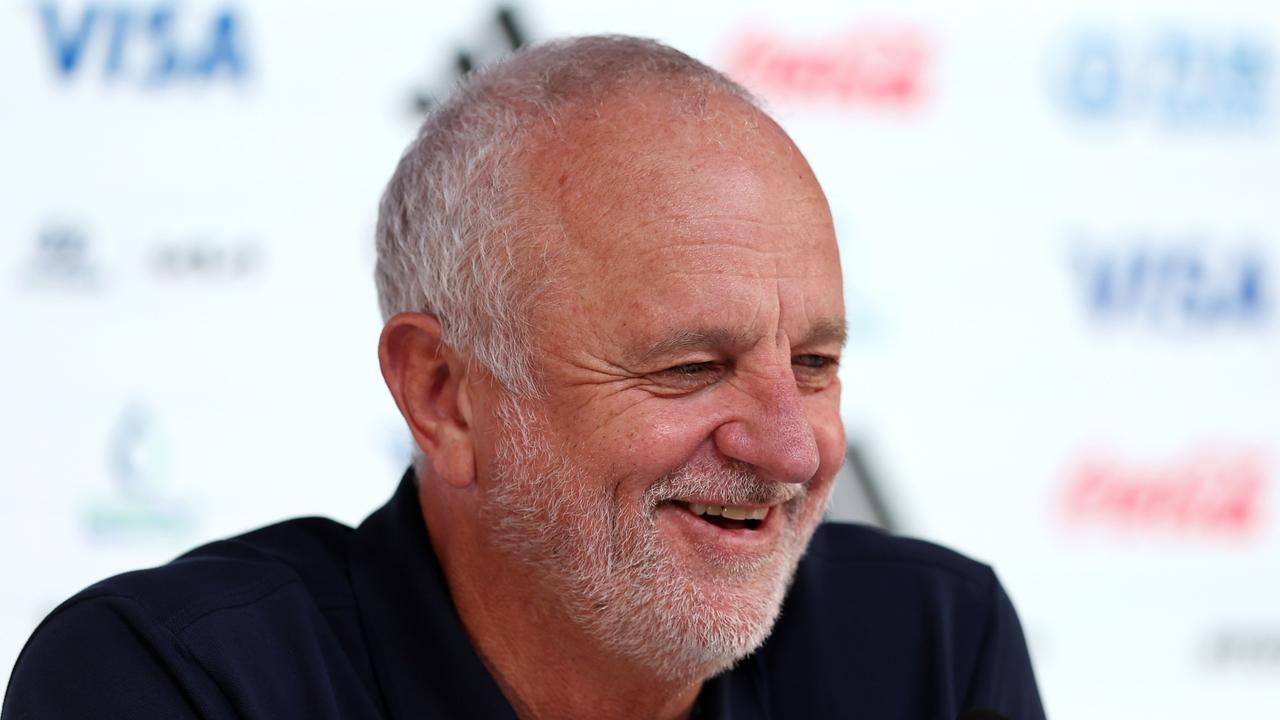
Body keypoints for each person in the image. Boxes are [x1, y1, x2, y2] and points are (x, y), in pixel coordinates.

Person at [2, 36, 1045, 720]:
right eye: (690, 366)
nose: (789, 447)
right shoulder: (172, 685)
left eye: (813, 364)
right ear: (442, 394)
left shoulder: (931, 652)